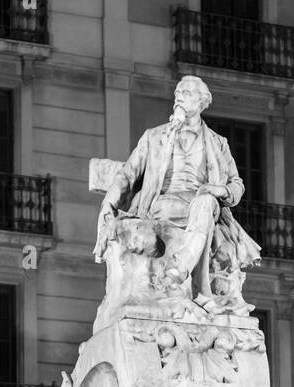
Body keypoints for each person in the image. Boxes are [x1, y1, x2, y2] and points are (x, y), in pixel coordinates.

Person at [92, 74, 261, 309]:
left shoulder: (218, 142)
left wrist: (219, 189)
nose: (179, 97)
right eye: (178, 93)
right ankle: (201, 291)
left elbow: (237, 184)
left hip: (201, 203)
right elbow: (128, 175)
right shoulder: (154, 136)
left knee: (205, 202)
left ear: (202, 103)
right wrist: (108, 204)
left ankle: (181, 268)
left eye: (187, 93)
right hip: (163, 205)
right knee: (205, 207)